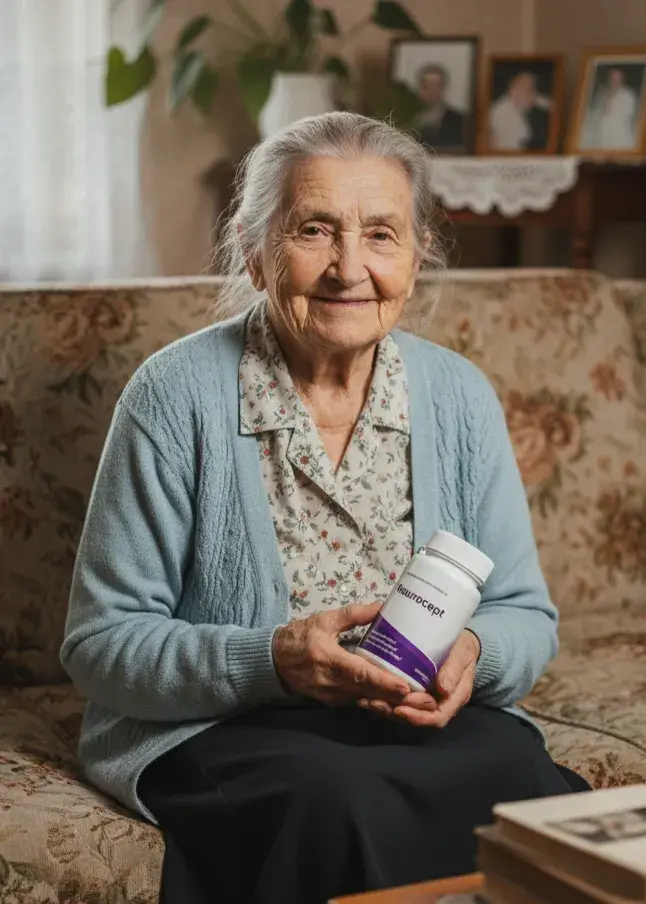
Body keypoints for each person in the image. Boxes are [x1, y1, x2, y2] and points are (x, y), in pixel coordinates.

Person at [60, 112, 590, 904]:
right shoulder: (172, 397)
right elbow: (100, 644)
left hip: (411, 718)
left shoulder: (460, 398)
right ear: (253, 250)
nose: (350, 268)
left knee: (526, 783)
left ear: (417, 255)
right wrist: (274, 660)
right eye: (314, 230)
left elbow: (525, 613)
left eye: (381, 234)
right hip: (227, 727)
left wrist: (472, 652)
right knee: (339, 804)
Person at [489, 71, 552, 151]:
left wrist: (536, 99)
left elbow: (551, 104)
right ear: (516, 89)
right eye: (530, 90)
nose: (533, 95)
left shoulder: (514, 103)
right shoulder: (502, 114)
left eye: (533, 91)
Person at [581, 66, 639, 150]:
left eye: (617, 78)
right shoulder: (602, 93)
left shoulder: (628, 94)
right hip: (599, 131)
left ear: (622, 79)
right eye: (612, 77)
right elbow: (596, 110)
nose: (614, 80)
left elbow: (628, 113)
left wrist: (612, 109)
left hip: (618, 132)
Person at [414, 63, 465, 149]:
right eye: (426, 86)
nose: (431, 90)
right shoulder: (409, 119)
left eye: (435, 85)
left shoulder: (460, 121)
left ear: (443, 88)